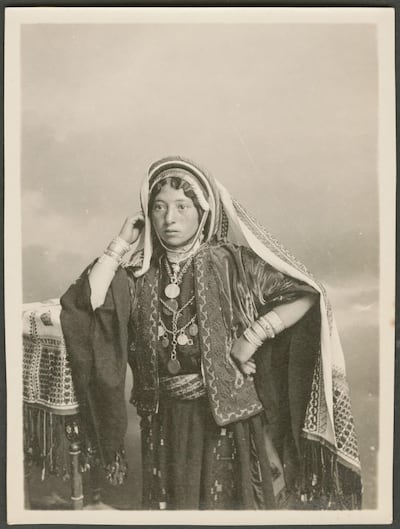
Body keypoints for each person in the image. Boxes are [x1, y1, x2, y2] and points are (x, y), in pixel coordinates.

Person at [60, 156, 362, 510]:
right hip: (164, 420)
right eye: (159, 207)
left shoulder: (231, 262)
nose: (169, 218)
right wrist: (120, 242)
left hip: (226, 419)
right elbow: (88, 302)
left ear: (203, 211)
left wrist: (252, 338)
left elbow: (309, 293)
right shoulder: (138, 274)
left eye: (182, 206)